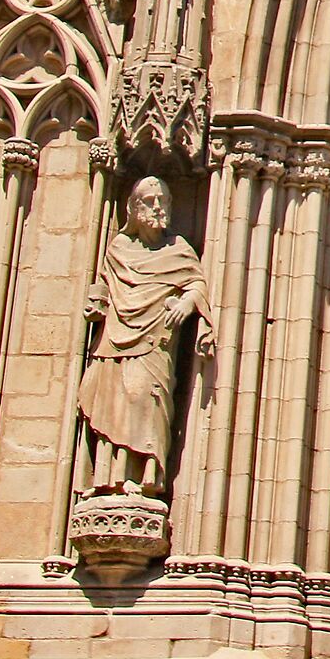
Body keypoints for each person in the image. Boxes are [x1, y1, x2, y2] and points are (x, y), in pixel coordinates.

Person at [76, 175, 212, 499]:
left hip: (155, 342)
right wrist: (98, 302)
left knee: (144, 398)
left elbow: (196, 284)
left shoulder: (178, 249)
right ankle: (109, 477)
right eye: (149, 201)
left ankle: (147, 475)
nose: (157, 207)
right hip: (114, 339)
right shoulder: (118, 249)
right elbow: (106, 285)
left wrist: (184, 303)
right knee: (110, 399)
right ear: (134, 209)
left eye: (162, 200)